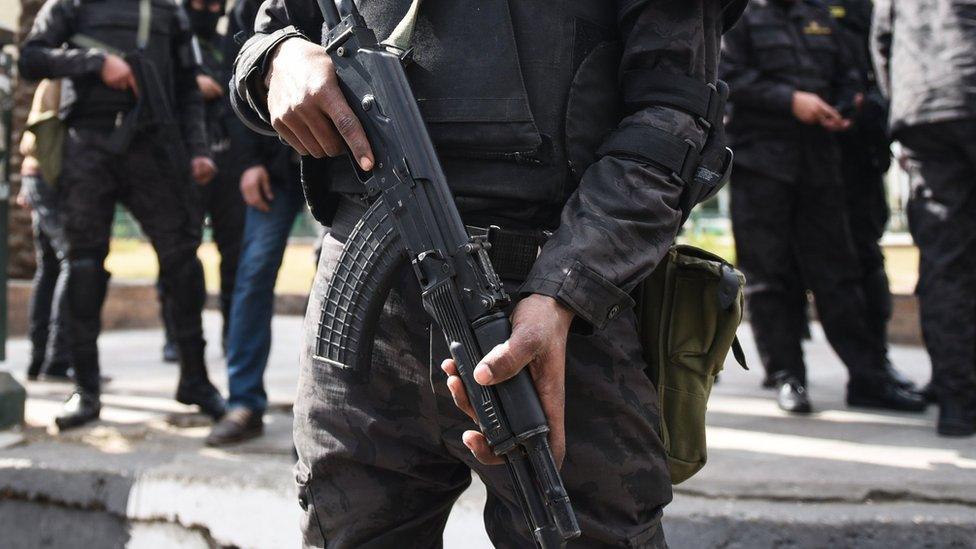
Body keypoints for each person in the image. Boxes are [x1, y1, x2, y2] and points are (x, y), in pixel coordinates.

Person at [232, 0, 746, 545]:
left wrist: (563, 291)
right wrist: (277, 59)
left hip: (556, 326)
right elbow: (270, 31)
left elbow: (674, 123)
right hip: (365, 323)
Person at [20, 0, 226, 430]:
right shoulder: (72, 5)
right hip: (88, 146)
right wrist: (95, 63)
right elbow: (31, 57)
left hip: (154, 146)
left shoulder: (170, 11)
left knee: (183, 261)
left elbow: (188, 87)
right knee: (84, 264)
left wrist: (199, 150)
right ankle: (87, 388)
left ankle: (195, 379)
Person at [720, 0, 924, 414]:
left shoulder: (819, 15)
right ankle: (787, 376)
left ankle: (868, 378)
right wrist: (789, 100)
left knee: (840, 274)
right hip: (762, 164)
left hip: (821, 163)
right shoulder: (740, 15)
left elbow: (850, 72)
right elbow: (728, 78)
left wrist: (847, 105)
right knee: (769, 276)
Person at [872, 0, 976, 437]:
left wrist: (902, 106)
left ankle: (957, 401)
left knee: (944, 261)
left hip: (926, 109)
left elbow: (880, 47)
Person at [204, 0, 304, 446]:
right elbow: (235, 80)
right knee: (253, 275)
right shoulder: (247, 6)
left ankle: (332, 414)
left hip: (353, 166)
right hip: (275, 166)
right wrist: (246, 163)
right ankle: (243, 402)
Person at [827, 0, 916, 391]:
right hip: (806, 153)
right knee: (829, 269)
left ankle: (874, 367)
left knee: (867, 261)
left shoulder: (864, 8)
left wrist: (869, 105)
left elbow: (884, 64)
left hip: (861, 148)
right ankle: (791, 372)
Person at [19, 79, 72, 382]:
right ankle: (56, 361)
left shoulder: (52, 76)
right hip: (49, 177)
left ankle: (40, 360)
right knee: (71, 262)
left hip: (38, 176)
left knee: (50, 267)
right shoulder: (63, 75)